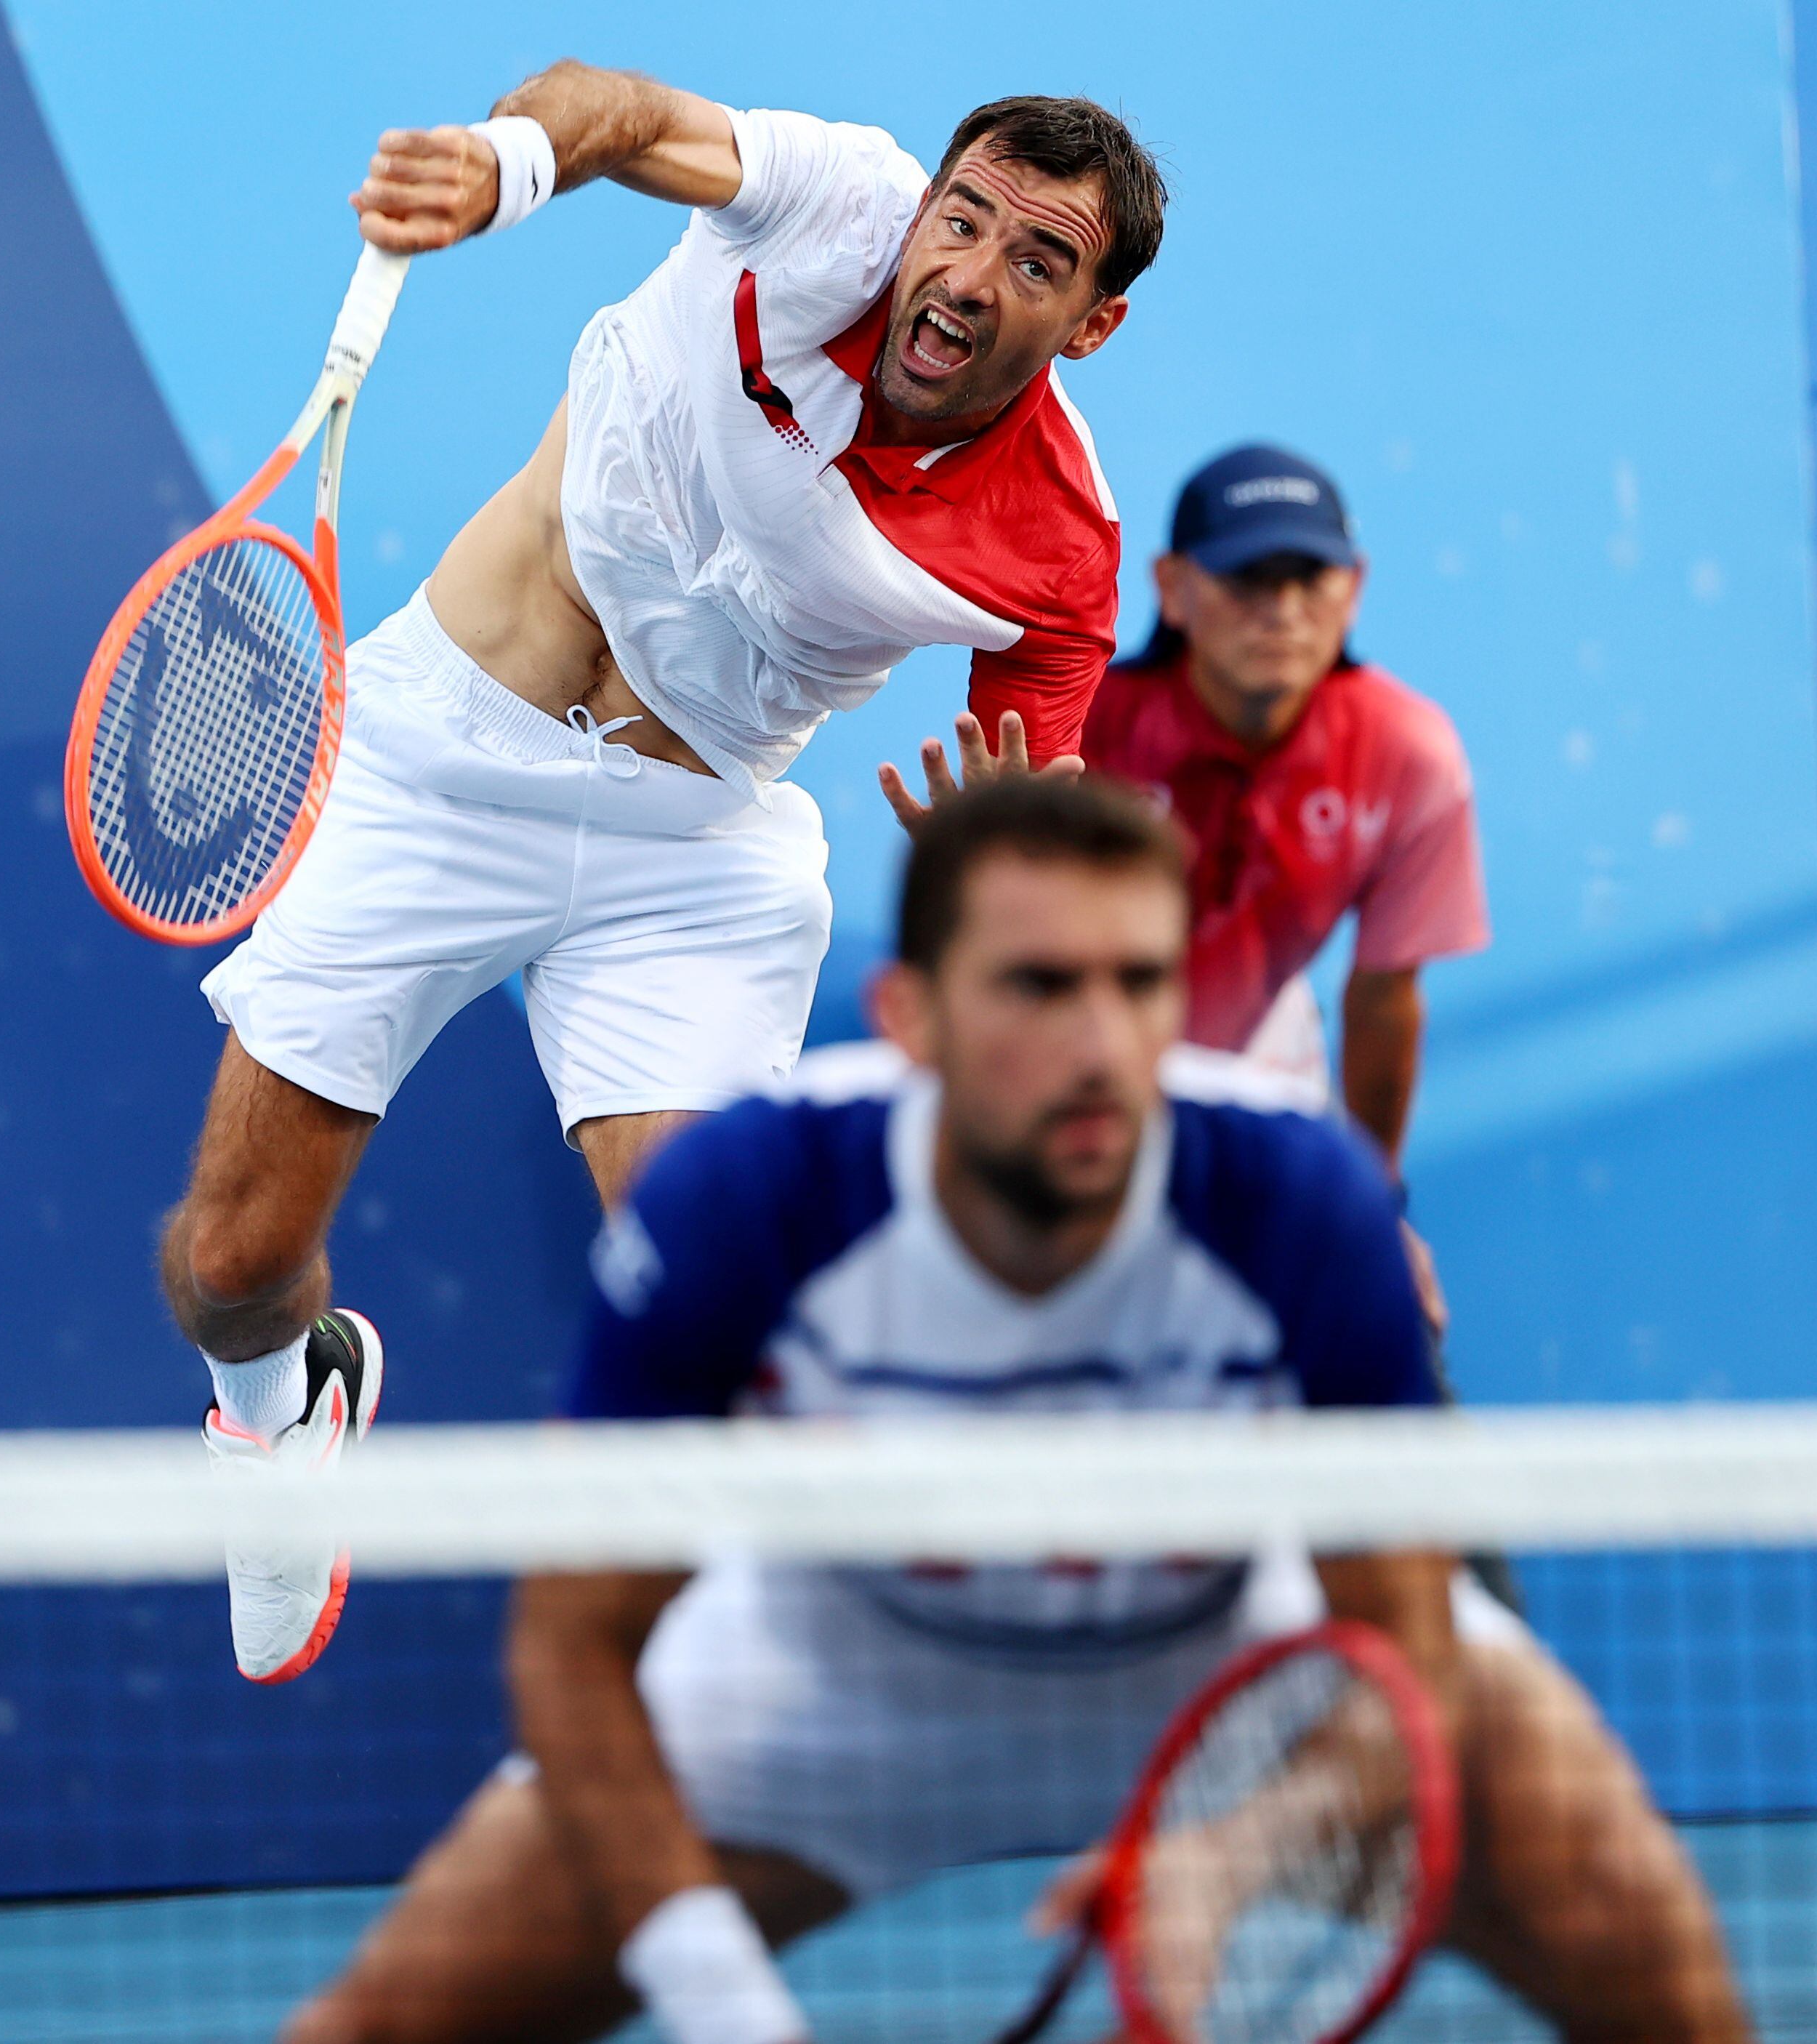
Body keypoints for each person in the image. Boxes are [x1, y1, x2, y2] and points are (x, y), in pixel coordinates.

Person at [280, 778, 1749, 2044]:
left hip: (1232, 1659)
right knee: (375, 2026)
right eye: (1039, 986)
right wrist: (726, 2005)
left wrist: (1228, 1854)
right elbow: (570, 1641)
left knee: (1659, 1969)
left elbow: (1408, 1649)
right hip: (833, 1678)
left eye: (1138, 981)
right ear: (908, 1015)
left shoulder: (1295, 1195)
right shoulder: (751, 1201)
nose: (1102, 1041)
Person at [161, 63, 1167, 1682]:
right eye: (960, 219)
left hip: (689, 855)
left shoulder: (1057, 548)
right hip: (435, 762)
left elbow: (1040, 857)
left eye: (1034, 262)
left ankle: (788, 1686)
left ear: (1090, 323)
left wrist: (988, 863)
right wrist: (507, 164)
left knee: (708, 1297)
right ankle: (279, 1413)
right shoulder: (828, 199)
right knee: (229, 1264)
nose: (968, 272)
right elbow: (614, 110)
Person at [1071, 445, 1486, 1170]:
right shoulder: (1079, 728)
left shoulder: (1409, 752)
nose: (1283, 612)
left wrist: (1375, 1195)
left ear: (1353, 588)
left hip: (1268, 1061)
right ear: (1171, 587)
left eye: (1308, 578)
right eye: (1246, 578)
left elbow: (1384, 997)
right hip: (1081, 1057)